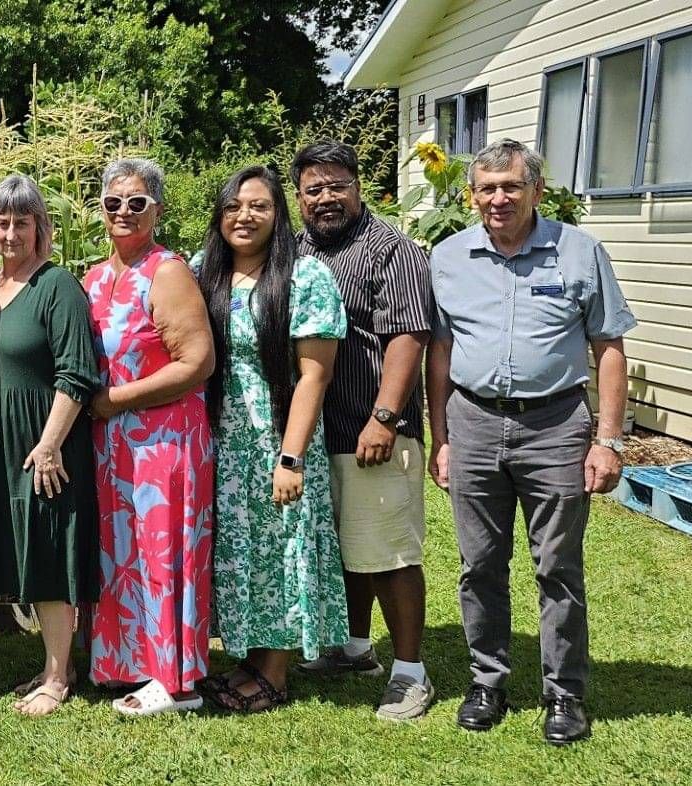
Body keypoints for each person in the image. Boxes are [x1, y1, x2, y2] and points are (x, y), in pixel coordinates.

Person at [428, 139, 636, 745]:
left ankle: (564, 693)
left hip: (556, 427)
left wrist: (608, 441)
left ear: (536, 191)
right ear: (471, 196)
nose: (499, 199)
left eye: (511, 186)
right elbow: (439, 352)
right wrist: (441, 437)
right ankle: (486, 683)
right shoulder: (448, 257)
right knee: (479, 565)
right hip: (472, 422)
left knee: (557, 566)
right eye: (487, 189)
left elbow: (609, 347)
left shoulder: (579, 251)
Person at [290, 140, 438, 721]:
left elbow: (408, 335)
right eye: (314, 189)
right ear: (299, 197)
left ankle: (411, 673)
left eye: (337, 186)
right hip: (316, 430)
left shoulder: (390, 250)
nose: (326, 198)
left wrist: (385, 417)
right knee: (346, 546)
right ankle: (353, 648)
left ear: (358, 187)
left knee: (389, 551)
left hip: (371, 426)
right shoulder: (298, 249)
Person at [193, 165, 348, 714]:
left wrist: (291, 456)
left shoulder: (305, 277)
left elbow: (315, 375)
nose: (245, 216)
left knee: (282, 548)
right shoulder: (203, 272)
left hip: (278, 439)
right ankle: (250, 661)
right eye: (234, 206)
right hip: (222, 443)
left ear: (278, 214)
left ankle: (275, 673)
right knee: (243, 552)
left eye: (259, 205)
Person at [83, 158, 216, 717]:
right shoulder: (94, 277)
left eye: (136, 202)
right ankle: (127, 662)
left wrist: (117, 400)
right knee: (123, 553)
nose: (124, 212)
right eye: (113, 202)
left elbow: (198, 361)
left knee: (164, 554)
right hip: (112, 446)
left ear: (156, 210)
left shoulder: (167, 271)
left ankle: (177, 680)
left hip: (164, 440)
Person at [0, 174, 100, 717]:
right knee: (27, 548)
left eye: (22, 222)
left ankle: (58, 675)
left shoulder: (57, 286)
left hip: (45, 444)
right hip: (0, 443)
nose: (11, 233)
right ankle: (52, 664)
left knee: (48, 553)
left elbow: (77, 373)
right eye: (2, 222)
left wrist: (49, 445)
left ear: (41, 227)